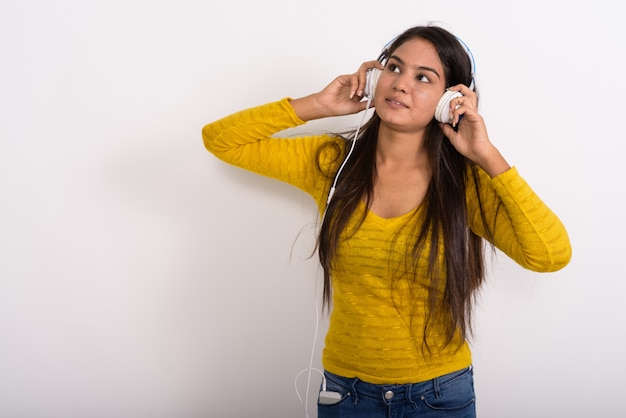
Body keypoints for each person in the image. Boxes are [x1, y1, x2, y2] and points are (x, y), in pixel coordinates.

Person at [202, 24, 571, 418]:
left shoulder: (464, 183)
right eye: (394, 68)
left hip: (439, 396)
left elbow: (549, 255)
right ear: (376, 78)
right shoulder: (332, 164)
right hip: (346, 395)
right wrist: (320, 105)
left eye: (423, 77)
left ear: (451, 101)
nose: (401, 84)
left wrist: (486, 155)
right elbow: (220, 139)